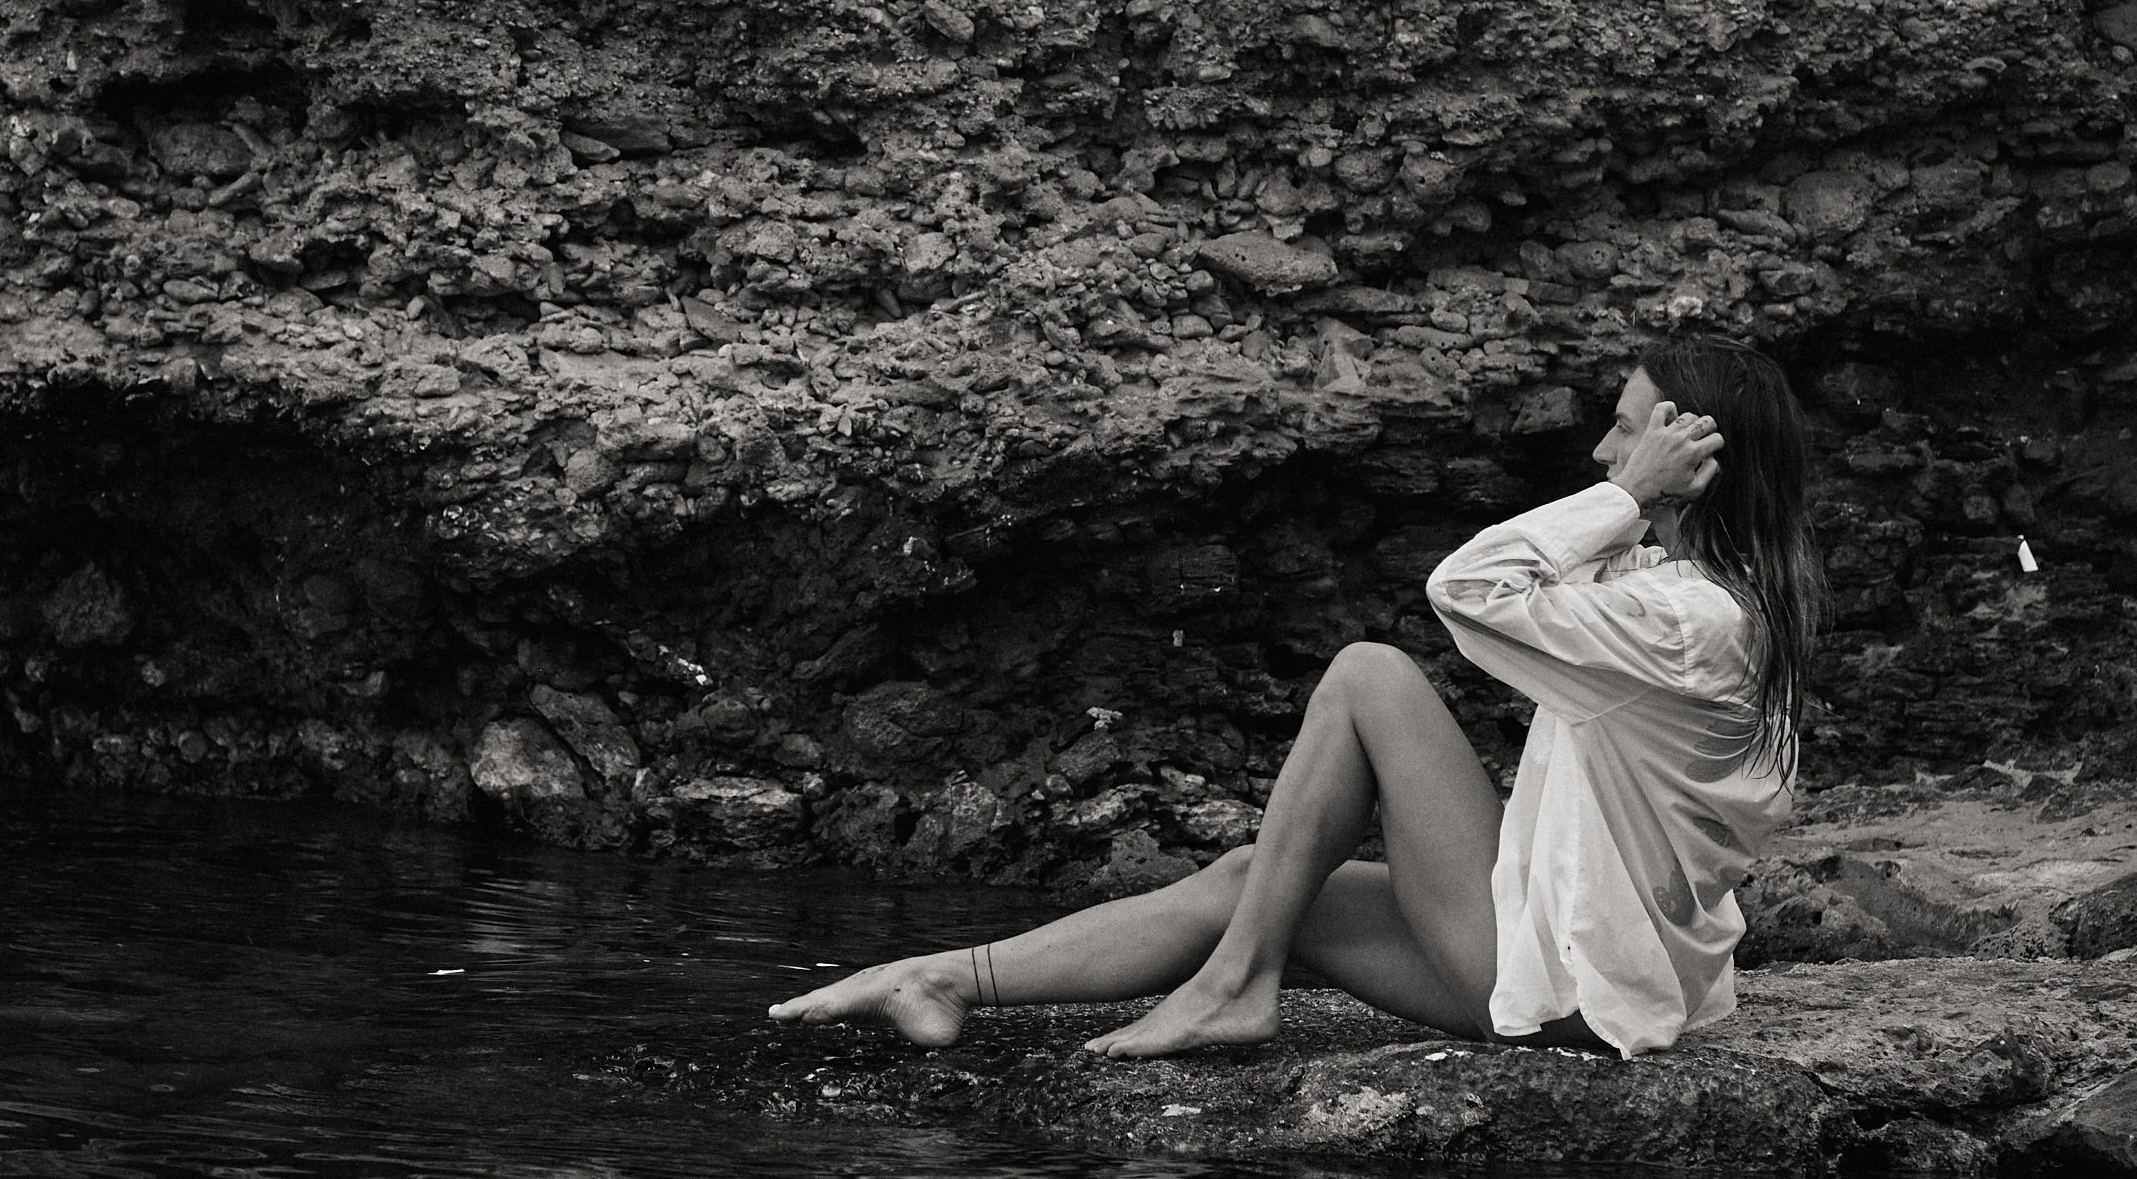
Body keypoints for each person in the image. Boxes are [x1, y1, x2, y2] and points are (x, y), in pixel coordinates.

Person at [769, 338, 1826, 1060]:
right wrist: (1632, 504)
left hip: (1570, 985)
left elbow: (1468, 588)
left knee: (1369, 671)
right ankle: (944, 976)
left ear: (1690, 457)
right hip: (1562, 951)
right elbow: (1529, 583)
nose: (1603, 451)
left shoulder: (1695, 620)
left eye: (1628, 432)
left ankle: (1235, 985)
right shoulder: (1676, 592)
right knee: (1261, 878)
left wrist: (1623, 494)